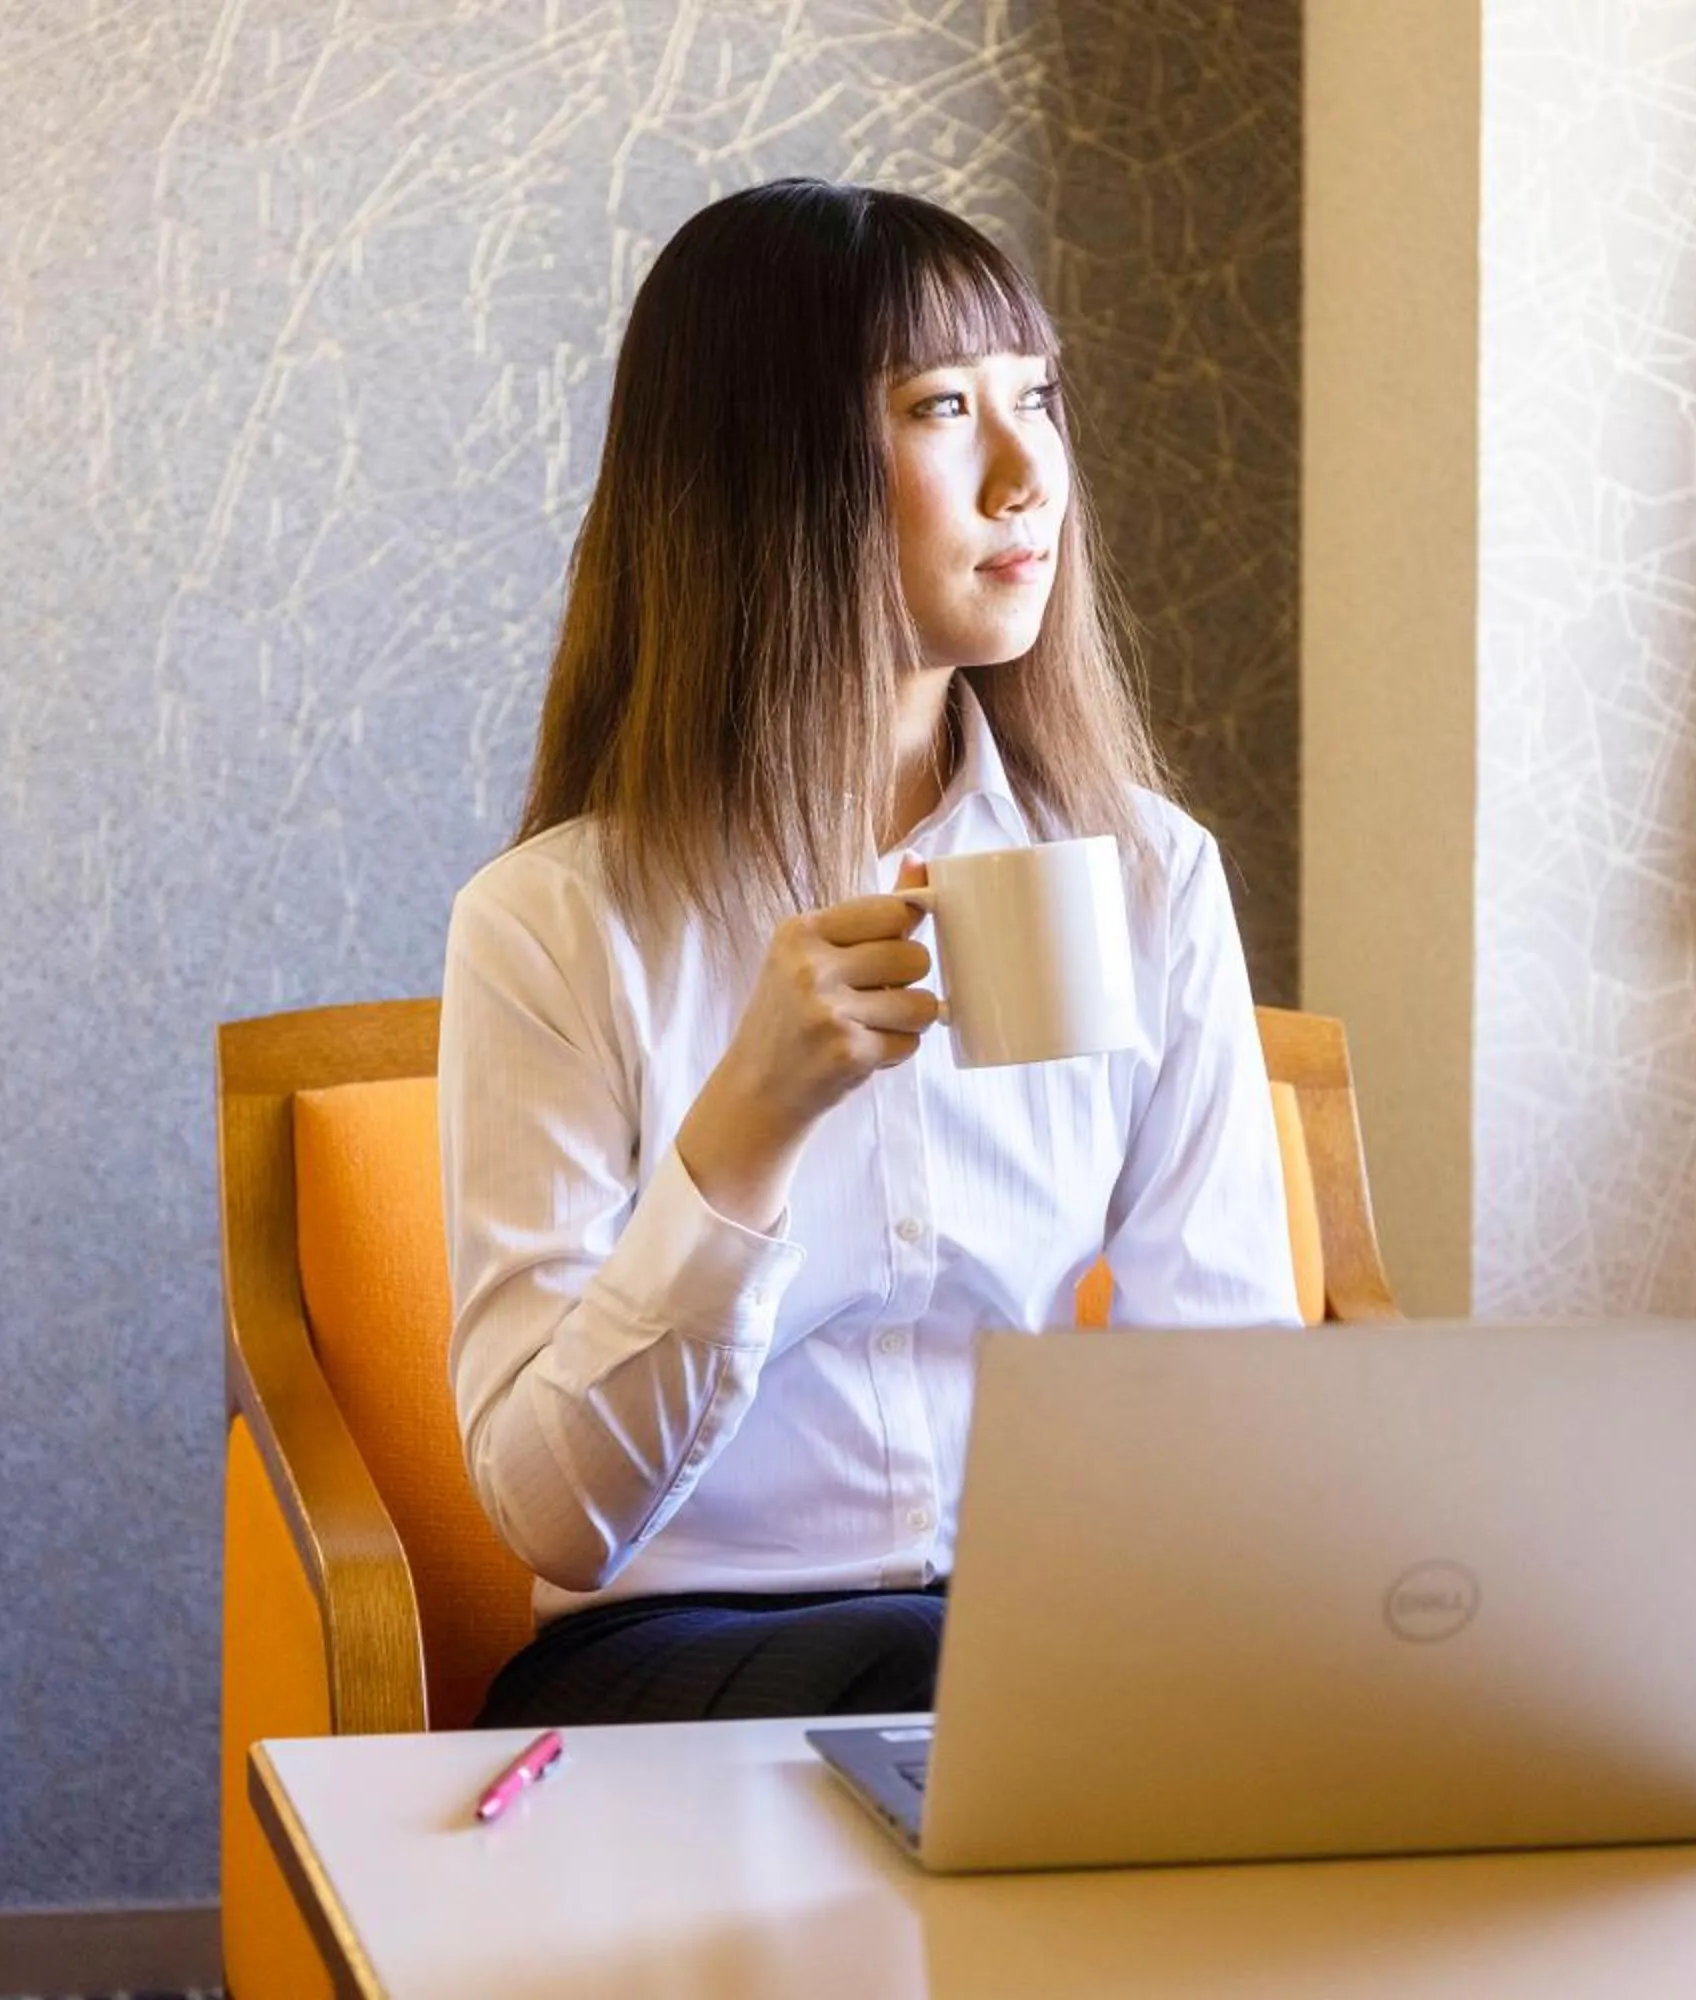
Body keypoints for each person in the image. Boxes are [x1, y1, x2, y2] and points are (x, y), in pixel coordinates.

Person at [441, 178, 1298, 1729]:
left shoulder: (1151, 876)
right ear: (775, 472)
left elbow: (1225, 1388)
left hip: (1043, 1639)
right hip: (679, 1650)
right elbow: (552, 1515)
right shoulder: (557, 922)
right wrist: (744, 1131)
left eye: (1038, 399)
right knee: (958, 1683)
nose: (1028, 472)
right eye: (944, 408)